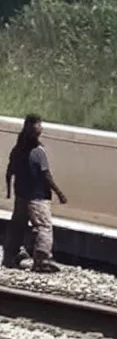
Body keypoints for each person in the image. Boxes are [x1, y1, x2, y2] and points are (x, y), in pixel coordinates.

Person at [3, 114, 67, 272]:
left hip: (21, 195)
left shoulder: (17, 149)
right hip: (37, 197)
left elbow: (9, 172)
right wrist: (59, 193)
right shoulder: (39, 152)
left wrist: (10, 191)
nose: (41, 128)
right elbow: (46, 176)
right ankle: (42, 259)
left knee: (17, 225)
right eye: (39, 125)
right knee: (44, 227)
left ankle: (10, 255)